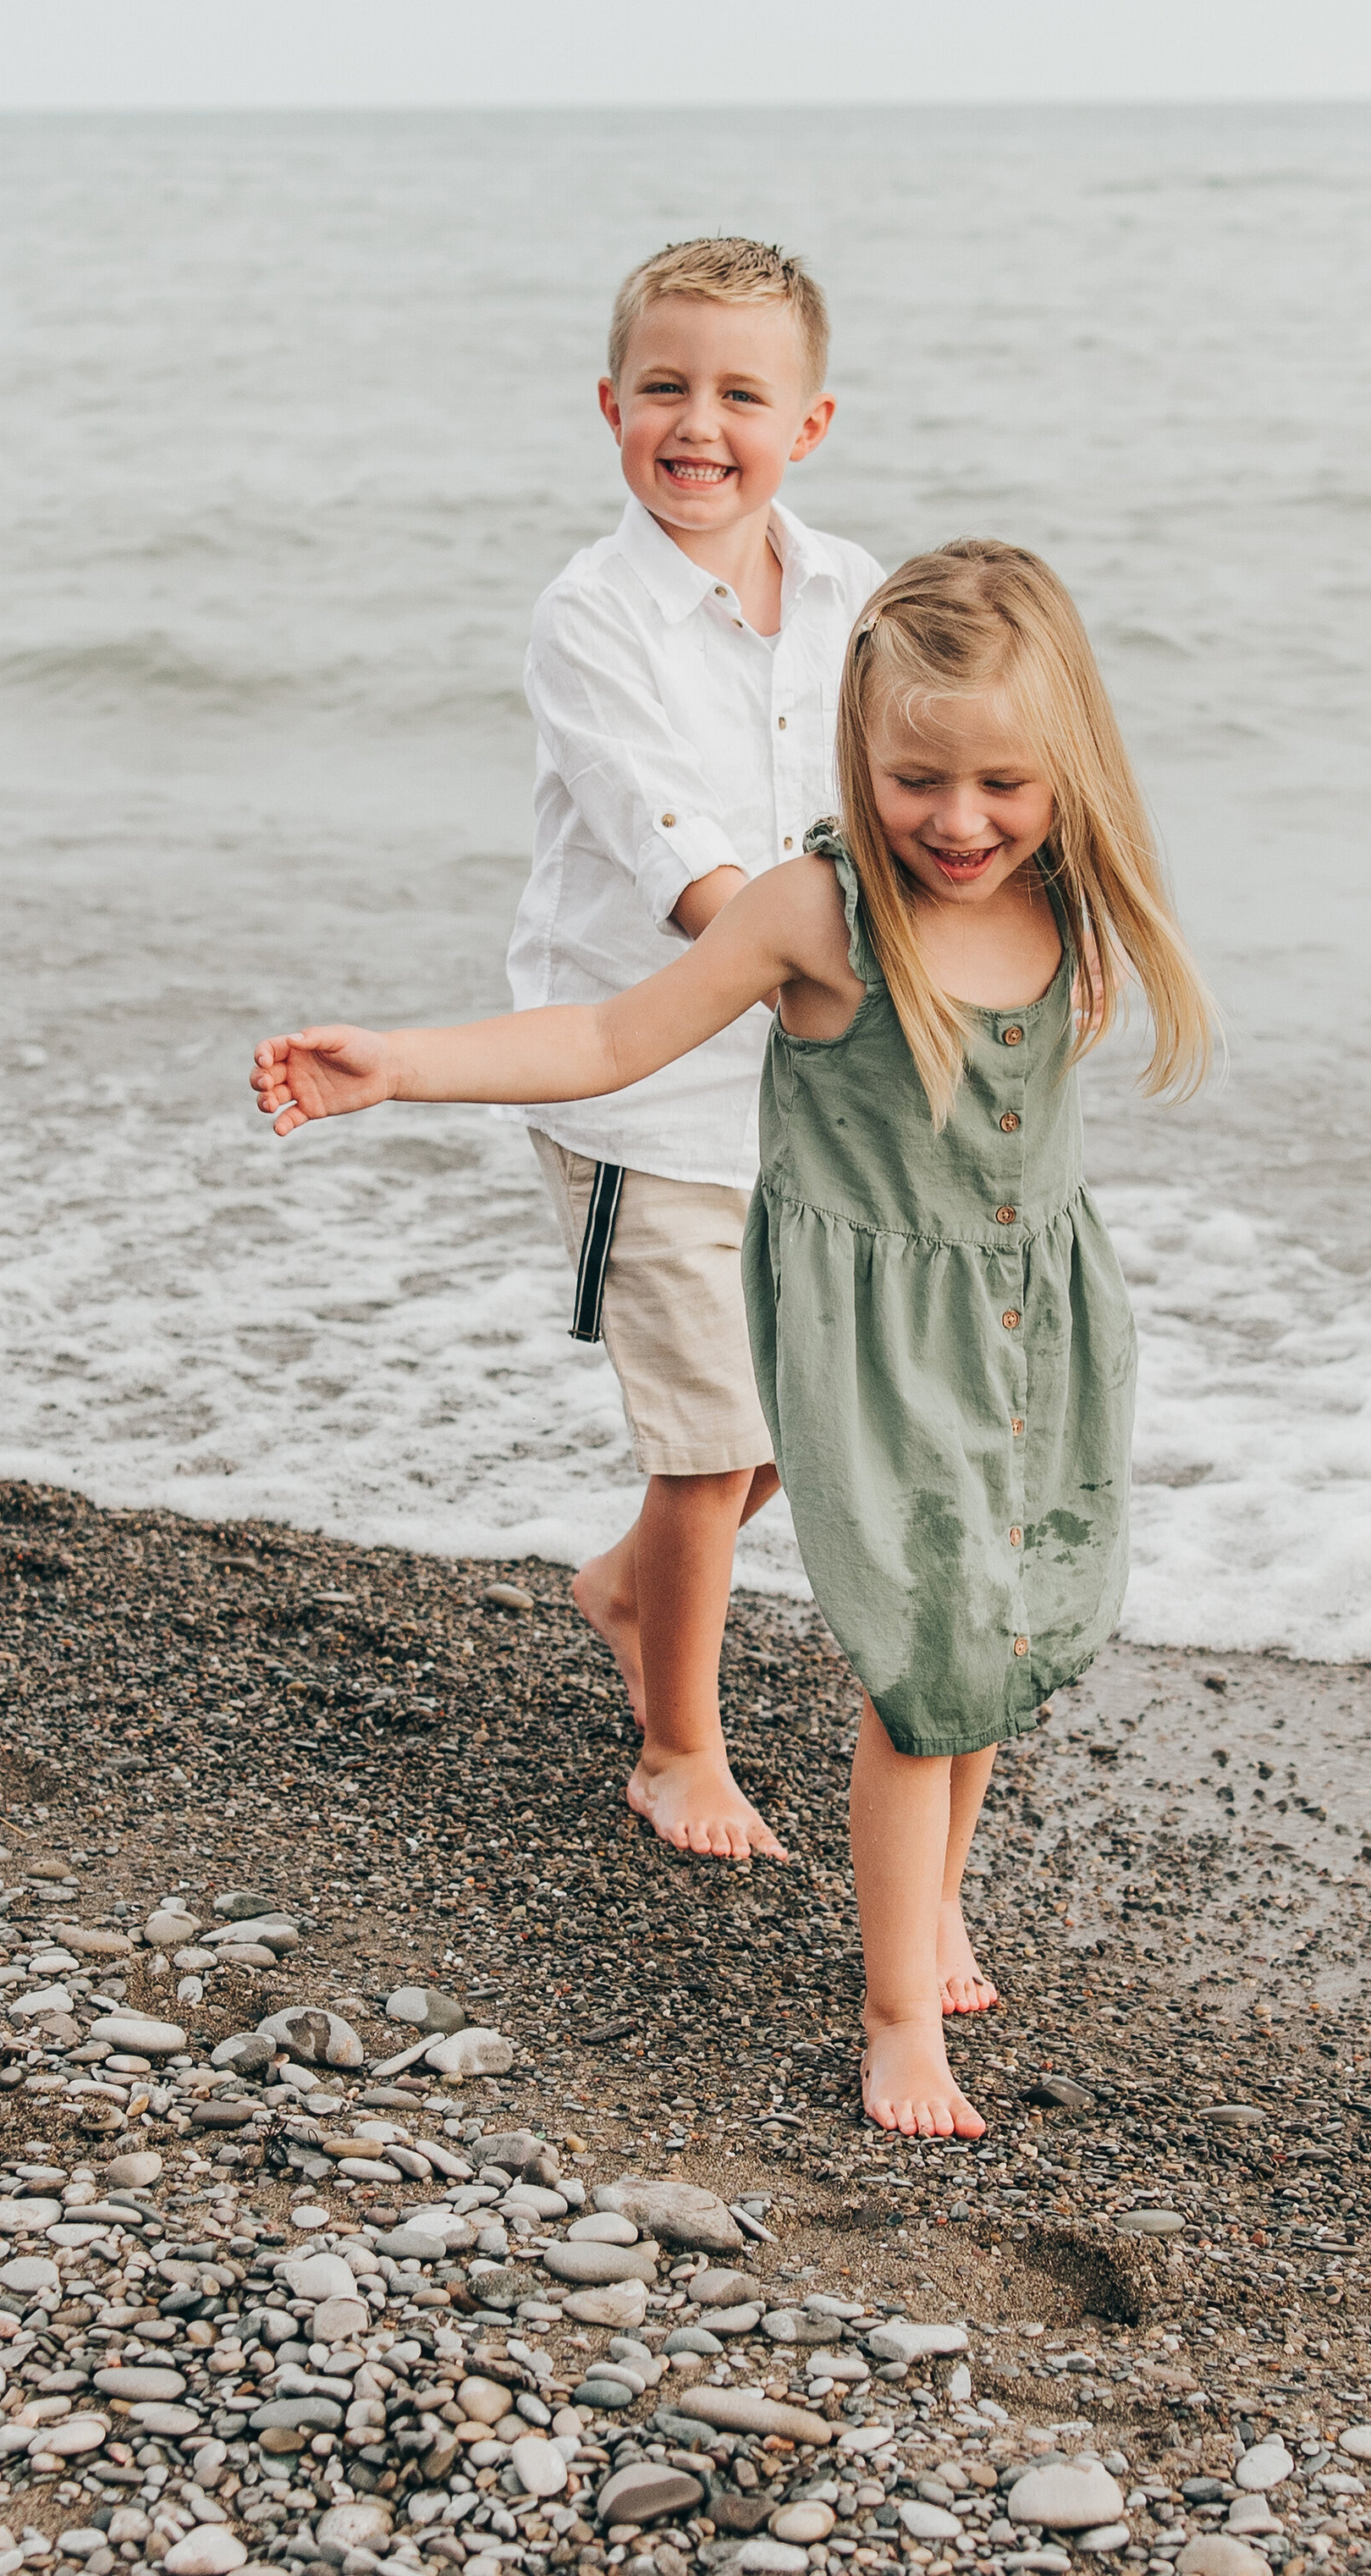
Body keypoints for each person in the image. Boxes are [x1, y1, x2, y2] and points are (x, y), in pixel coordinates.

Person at [251, 540, 1214, 2138]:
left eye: (1002, 783)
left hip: (1034, 1316)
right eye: (917, 778)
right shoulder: (819, 916)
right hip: (877, 1335)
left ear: (1069, 769)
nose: (958, 821)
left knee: (998, 1635)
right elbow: (609, 1035)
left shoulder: (1068, 897)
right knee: (919, 1666)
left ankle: (934, 1905)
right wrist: (398, 1066)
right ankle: (898, 2012)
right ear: (860, 753)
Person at [508, 235, 882, 1868]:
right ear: (610, 405)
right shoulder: (595, 617)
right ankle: (676, 1748)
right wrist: (818, 967)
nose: (699, 422)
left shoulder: (860, 590)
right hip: (639, 1080)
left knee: (819, 1409)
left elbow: (908, 784)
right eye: (666, 387)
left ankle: (625, 1590)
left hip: (806, 1085)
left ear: (808, 423)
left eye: (742, 393)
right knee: (708, 1432)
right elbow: (678, 858)